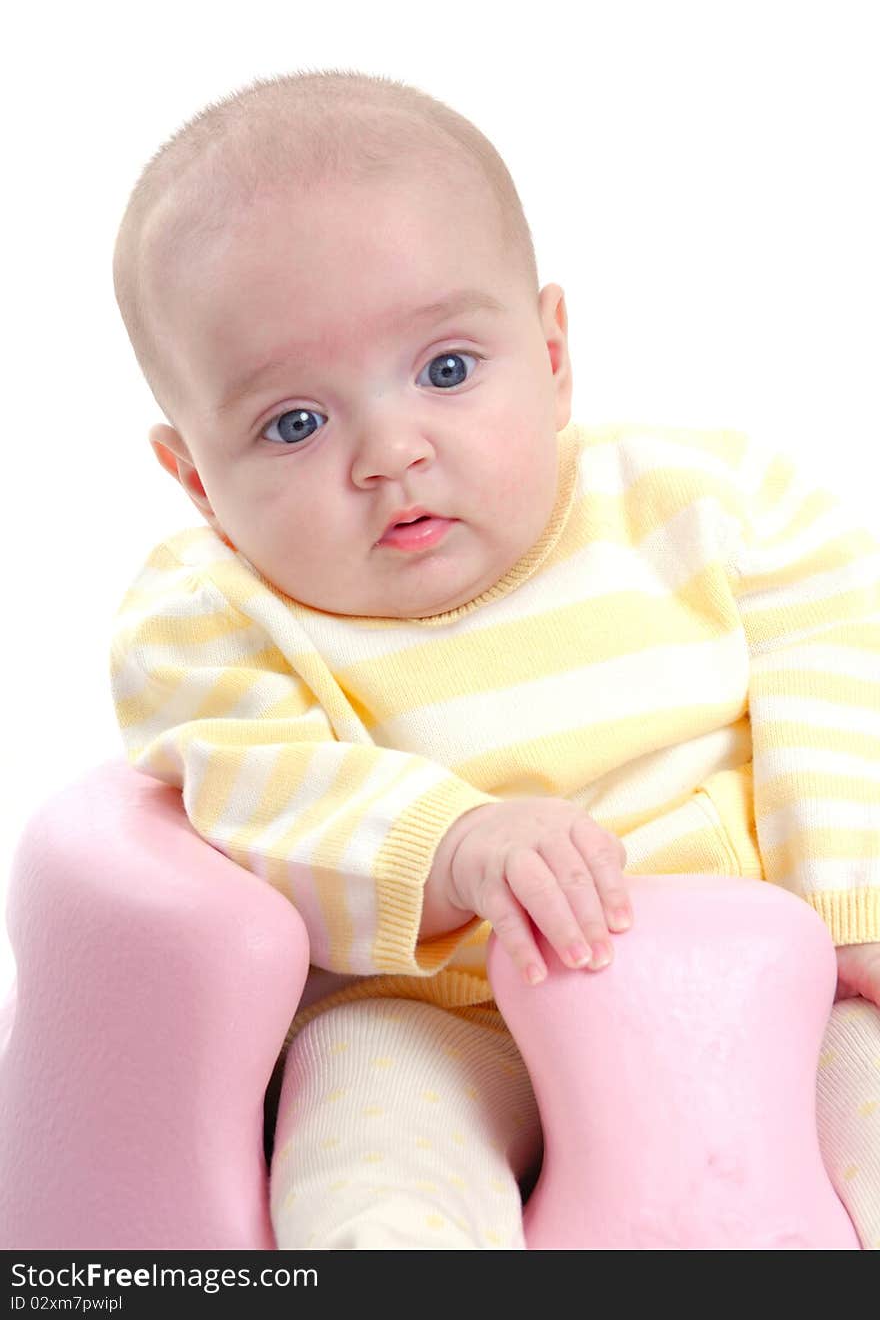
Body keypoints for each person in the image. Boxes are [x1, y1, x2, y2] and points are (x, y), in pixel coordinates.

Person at [109, 68, 880, 1249]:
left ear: (555, 350)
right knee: (366, 1152)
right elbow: (260, 794)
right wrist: (458, 843)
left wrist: (851, 906)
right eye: (294, 423)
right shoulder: (210, 615)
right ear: (197, 477)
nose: (390, 451)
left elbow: (840, 682)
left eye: (448, 369)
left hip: (767, 971)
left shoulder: (714, 504)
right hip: (440, 1005)